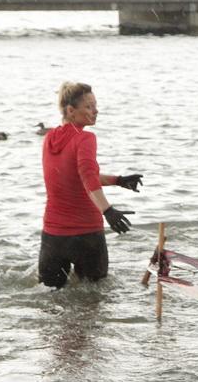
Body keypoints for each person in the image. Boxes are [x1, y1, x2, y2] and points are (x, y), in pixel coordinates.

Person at [39, 82, 144, 288]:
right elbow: (87, 175)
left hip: (52, 236)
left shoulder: (49, 138)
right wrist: (107, 210)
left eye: (95, 105)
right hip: (86, 235)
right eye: (89, 106)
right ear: (71, 110)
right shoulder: (85, 138)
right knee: (95, 299)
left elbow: (76, 175)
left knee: (50, 300)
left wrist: (118, 180)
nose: (96, 111)